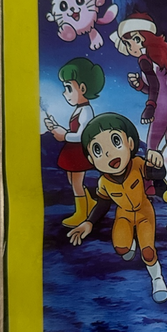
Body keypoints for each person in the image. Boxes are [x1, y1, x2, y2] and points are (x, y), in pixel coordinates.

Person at [67, 113, 167, 303]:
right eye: (98, 150)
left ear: (130, 143)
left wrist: (158, 163)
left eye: (115, 141)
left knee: (147, 251)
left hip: (144, 213)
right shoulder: (103, 182)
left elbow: (158, 175)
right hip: (123, 215)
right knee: (122, 249)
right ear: (91, 159)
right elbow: (103, 203)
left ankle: (157, 279)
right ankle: (130, 244)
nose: (109, 153)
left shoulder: (137, 164)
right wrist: (89, 223)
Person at [44, 56, 105, 226]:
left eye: (69, 88)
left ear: (83, 88)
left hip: (79, 152)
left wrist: (64, 135)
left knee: (77, 183)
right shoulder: (79, 109)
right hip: (72, 151)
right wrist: (55, 127)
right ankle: (89, 203)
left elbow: (82, 135)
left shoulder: (86, 111)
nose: (65, 93)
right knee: (73, 181)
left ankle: (81, 213)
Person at [110, 13, 167, 153]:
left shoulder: (144, 60)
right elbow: (157, 86)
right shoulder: (158, 55)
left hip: (160, 105)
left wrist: (150, 106)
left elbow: (155, 86)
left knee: (152, 148)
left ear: (139, 39)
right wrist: (140, 85)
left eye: (129, 43)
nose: (129, 48)